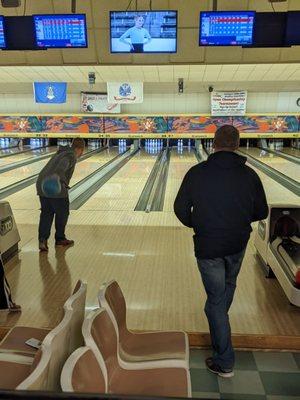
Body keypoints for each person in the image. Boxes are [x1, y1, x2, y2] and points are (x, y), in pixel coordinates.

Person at [174, 125, 268, 378]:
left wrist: (199, 223)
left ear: (213, 144)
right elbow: (262, 213)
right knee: (227, 288)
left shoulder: (197, 173)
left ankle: (225, 361)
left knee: (215, 303)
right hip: (237, 244)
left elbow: (180, 209)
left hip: (208, 246)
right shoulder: (250, 176)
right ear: (237, 145)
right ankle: (220, 322)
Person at [36, 138, 85, 252]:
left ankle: (42, 240)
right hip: (54, 186)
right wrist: (58, 179)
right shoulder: (71, 156)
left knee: (46, 213)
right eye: (82, 151)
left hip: (41, 184)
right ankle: (60, 239)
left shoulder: (61, 152)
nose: (82, 154)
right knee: (63, 212)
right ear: (79, 149)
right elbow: (61, 168)